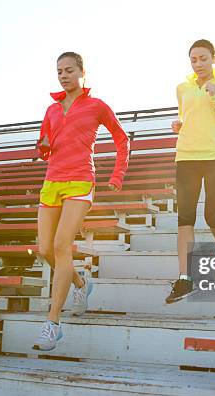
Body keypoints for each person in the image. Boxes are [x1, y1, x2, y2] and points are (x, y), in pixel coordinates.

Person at [34, 52, 130, 350]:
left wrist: (117, 175)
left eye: (69, 70)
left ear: (82, 73)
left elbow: (122, 139)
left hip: (80, 180)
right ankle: (80, 283)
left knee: (62, 245)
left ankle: (52, 323)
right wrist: (45, 147)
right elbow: (43, 149)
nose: (64, 75)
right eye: (59, 71)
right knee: (44, 249)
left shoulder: (97, 106)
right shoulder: (51, 110)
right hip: (52, 182)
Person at [165, 39, 215, 304]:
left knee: (212, 214)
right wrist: (179, 124)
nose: (198, 64)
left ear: (214, 59)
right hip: (186, 156)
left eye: (203, 59)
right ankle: (185, 278)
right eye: (193, 60)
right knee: (184, 219)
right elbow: (188, 117)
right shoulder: (182, 88)